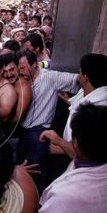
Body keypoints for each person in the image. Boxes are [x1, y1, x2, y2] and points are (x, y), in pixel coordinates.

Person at [16, 49, 79, 193]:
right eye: (18, 68)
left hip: (39, 131)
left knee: (37, 169)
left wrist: (74, 101)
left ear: (35, 65)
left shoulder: (50, 78)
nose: (20, 71)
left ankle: (37, 202)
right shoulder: (20, 80)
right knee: (21, 165)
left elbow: (77, 78)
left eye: (24, 67)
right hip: (22, 130)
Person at [41, 53, 107, 158]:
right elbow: (82, 105)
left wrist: (60, 144)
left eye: (79, 72)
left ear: (85, 78)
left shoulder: (96, 114)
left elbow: (84, 154)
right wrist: (69, 101)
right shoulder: (89, 92)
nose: (77, 75)